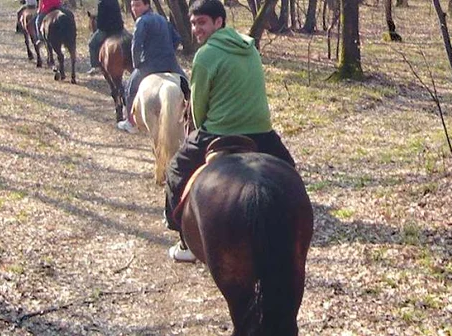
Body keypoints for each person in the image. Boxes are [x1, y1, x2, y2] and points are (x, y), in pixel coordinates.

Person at [164, 0, 296, 262]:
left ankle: (183, 238)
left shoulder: (205, 55)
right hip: (261, 132)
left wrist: (202, 126)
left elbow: (198, 110)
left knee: (176, 170)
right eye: (193, 23)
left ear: (218, 22)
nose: (196, 29)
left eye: (201, 22)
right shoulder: (250, 47)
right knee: (290, 171)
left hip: (219, 133)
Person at [116, 0, 187, 133]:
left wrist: (137, 65)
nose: (134, 9)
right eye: (132, 6)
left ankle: (131, 123)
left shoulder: (141, 21)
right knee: (187, 85)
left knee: (130, 88)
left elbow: (136, 46)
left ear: (147, 5)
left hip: (150, 65)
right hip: (170, 63)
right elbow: (177, 39)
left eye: (138, 5)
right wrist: (168, 51)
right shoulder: (162, 18)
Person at [87, 0, 125, 75]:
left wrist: (99, 27)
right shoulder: (115, 1)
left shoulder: (101, 3)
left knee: (92, 44)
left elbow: (101, 22)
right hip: (119, 29)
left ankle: (95, 66)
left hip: (107, 30)